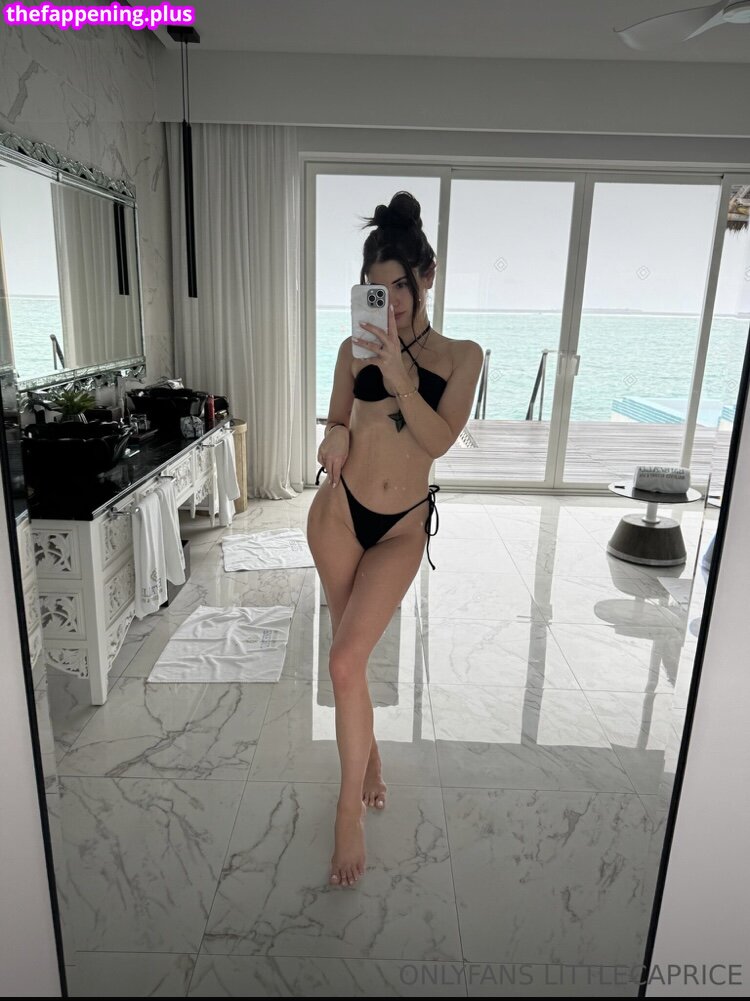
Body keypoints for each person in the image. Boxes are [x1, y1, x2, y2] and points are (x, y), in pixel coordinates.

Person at [306, 191, 483, 888]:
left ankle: (347, 807)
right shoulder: (353, 350)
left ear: (427, 275)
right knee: (347, 662)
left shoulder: (462, 357)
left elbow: (438, 439)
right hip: (338, 515)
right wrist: (333, 438)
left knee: (346, 659)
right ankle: (368, 763)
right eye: (377, 290)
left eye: (401, 286)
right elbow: (337, 420)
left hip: (400, 529)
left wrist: (405, 380)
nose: (393, 303)